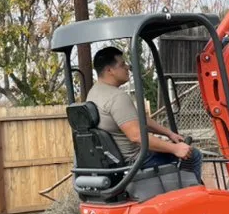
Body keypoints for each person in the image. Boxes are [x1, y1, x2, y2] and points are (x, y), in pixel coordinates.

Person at [86, 46, 203, 182]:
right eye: (122, 64)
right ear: (110, 70)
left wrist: (169, 133)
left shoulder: (94, 93)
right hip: (136, 163)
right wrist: (175, 148)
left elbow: (138, 119)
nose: (127, 67)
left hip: (114, 161)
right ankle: (190, 195)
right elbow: (137, 136)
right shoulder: (116, 97)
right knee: (193, 155)